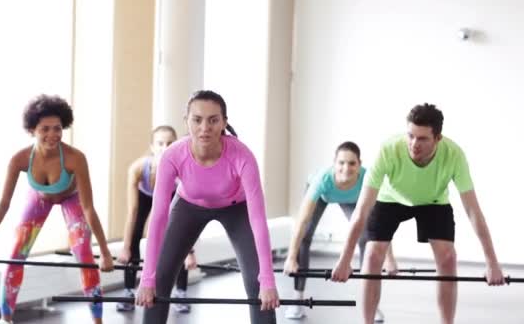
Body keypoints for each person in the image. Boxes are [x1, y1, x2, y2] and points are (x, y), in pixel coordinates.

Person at [331, 103, 505, 324]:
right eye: (410, 136)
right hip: (390, 198)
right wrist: (344, 260)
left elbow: (473, 211)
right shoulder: (388, 150)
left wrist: (492, 262)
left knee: (448, 257)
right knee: (373, 255)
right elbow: (361, 212)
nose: (414, 144)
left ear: (438, 138)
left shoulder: (454, 155)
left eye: (422, 139)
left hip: (433, 201)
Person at [135, 90, 280, 324]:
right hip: (188, 206)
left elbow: (258, 220)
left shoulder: (242, 156)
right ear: (187, 121)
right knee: (158, 282)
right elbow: (159, 218)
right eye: (197, 119)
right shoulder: (173, 155)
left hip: (236, 208)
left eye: (213, 120)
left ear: (224, 122)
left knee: (257, 283)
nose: (205, 127)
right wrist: (147, 280)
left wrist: (268, 281)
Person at [0, 95, 114, 324]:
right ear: (32, 130)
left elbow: (88, 207)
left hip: (72, 198)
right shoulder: (19, 159)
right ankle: (5, 319)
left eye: (57, 128)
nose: (52, 135)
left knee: (84, 255)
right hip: (39, 198)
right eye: (44, 129)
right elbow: (3, 205)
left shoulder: (75, 158)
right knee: (15, 254)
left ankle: (97, 321)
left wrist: (106, 253)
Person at [283, 141, 397, 322]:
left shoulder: (368, 179)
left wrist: (389, 259)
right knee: (305, 237)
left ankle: (372, 306)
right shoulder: (322, 180)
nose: (346, 168)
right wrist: (290, 257)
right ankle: (297, 299)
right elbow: (302, 221)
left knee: (367, 239)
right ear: (334, 163)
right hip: (324, 196)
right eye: (341, 163)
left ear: (359, 165)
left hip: (353, 199)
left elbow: (381, 225)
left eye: (352, 163)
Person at [116, 125, 197, 313]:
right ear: (152, 147)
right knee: (136, 233)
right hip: (145, 195)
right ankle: (129, 291)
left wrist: (189, 252)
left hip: (170, 195)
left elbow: (186, 218)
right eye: (160, 143)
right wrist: (126, 247)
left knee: (177, 237)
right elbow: (133, 211)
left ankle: (181, 293)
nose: (165, 147)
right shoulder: (137, 168)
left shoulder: (182, 171)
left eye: (170, 143)